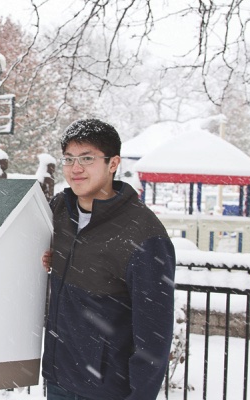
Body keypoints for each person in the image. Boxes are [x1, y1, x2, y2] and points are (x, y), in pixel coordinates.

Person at [41, 119, 176, 400]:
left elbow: (154, 337)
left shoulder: (143, 233)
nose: (75, 168)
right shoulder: (58, 212)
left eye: (87, 158)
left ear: (113, 163)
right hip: (58, 379)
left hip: (105, 391)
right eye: (69, 159)